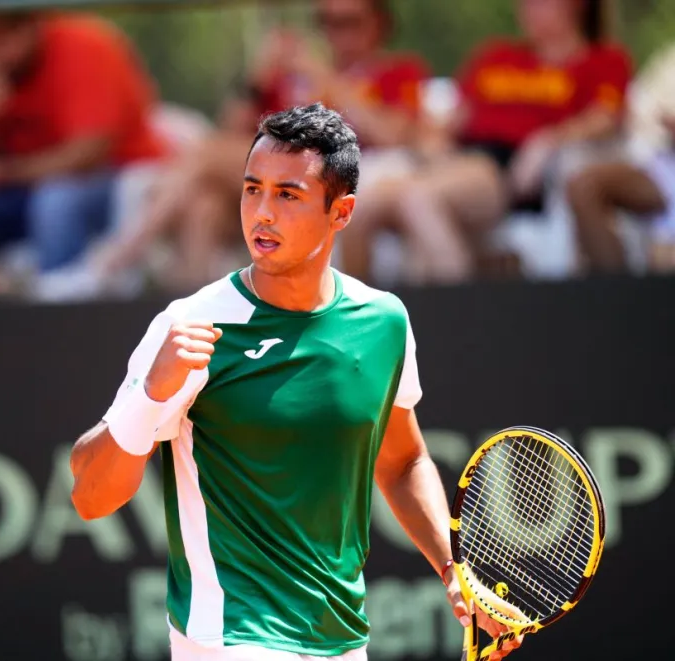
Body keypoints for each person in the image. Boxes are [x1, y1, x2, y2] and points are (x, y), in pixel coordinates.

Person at [69, 104, 522, 661]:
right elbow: (90, 496)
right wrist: (152, 395)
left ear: (341, 212)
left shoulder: (383, 323)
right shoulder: (190, 324)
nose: (262, 213)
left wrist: (455, 572)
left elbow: (401, 461)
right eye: (252, 189)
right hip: (228, 638)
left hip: (341, 640)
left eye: (288, 195)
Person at [93, 0, 429, 293]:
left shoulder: (397, 71)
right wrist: (258, 77)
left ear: (380, 24)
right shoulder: (297, 77)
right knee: (203, 207)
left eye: (349, 22)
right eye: (326, 22)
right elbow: (232, 128)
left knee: (206, 154)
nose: (336, 33)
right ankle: (201, 332)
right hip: (281, 180)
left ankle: (121, 257)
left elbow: (395, 136)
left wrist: (330, 81)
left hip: (340, 176)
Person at [361, 0, 631, 284]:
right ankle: (348, 321)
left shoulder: (602, 60)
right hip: (459, 162)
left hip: (508, 168)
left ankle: (456, 312)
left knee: (417, 199)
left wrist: (549, 140)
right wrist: (432, 142)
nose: (527, 8)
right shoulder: (496, 56)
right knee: (364, 208)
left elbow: (606, 118)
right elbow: (452, 121)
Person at [0, 10, 164, 297]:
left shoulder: (85, 44)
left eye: (5, 33)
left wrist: (1, 172)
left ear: (32, 24)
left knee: (55, 201)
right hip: (20, 185)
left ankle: (58, 313)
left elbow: (89, 154)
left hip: (117, 175)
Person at [565, 40, 675, 274]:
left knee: (665, 259)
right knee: (584, 186)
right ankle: (616, 294)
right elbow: (645, 112)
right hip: (658, 162)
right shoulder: (670, 58)